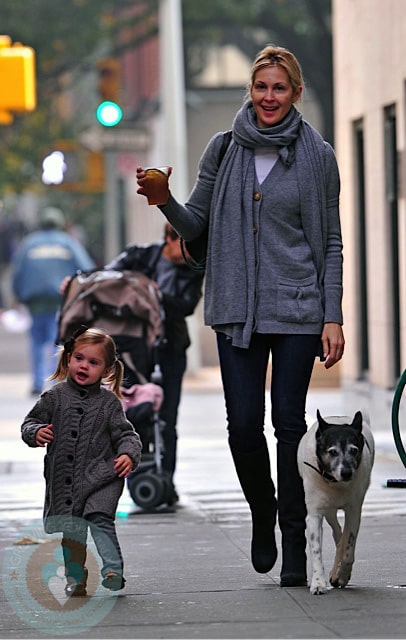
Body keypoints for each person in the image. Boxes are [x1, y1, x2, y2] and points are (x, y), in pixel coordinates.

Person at [136, 44, 345, 587]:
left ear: (295, 93)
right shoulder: (223, 149)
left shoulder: (318, 155)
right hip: (236, 309)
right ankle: (263, 509)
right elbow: (195, 225)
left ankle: (296, 543)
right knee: (242, 428)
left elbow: (330, 242)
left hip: (297, 307)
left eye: (279, 88)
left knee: (290, 426)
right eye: (261, 87)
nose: (269, 97)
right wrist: (164, 199)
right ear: (250, 92)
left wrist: (332, 314)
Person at [20, 326, 142, 596]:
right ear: (68, 359)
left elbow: (126, 435)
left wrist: (127, 454)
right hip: (67, 479)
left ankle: (112, 569)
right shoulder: (54, 397)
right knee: (72, 532)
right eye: (79, 358)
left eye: (93, 362)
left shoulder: (109, 403)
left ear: (107, 370)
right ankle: (75, 578)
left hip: (102, 477)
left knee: (100, 520)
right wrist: (36, 432)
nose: (84, 365)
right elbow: (30, 422)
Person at [104, 223, 205, 504]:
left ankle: (166, 480)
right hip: (135, 349)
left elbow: (186, 305)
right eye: (184, 246)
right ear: (169, 239)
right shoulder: (139, 256)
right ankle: (138, 476)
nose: (190, 253)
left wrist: (150, 292)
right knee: (136, 413)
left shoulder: (193, 266)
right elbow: (106, 279)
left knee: (168, 418)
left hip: (171, 347)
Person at [11, 206, 96, 396]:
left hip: (35, 301)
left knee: (36, 340)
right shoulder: (68, 243)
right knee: (55, 339)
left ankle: (36, 381)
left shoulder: (29, 244)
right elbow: (87, 268)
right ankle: (52, 379)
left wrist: (17, 295)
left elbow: (17, 272)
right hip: (60, 300)